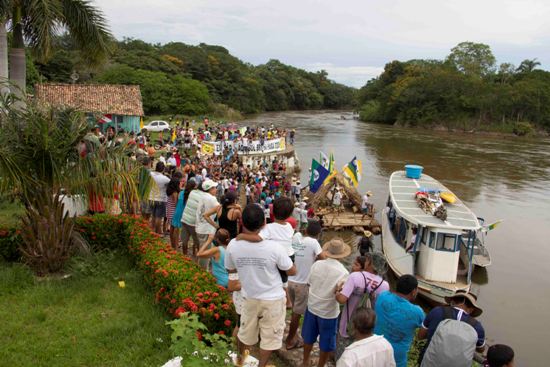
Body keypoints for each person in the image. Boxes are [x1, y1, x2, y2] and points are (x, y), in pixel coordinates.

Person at [225, 204, 296, 367]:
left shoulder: (233, 245)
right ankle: (261, 365)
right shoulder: (275, 248)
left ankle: (242, 361)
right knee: (269, 339)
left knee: (245, 334)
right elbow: (291, 271)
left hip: (249, 296)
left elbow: (230, 268)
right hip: (273, 299)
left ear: (242, 222)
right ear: (264, 223)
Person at [302, 238, 350, 367]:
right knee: (326, 342)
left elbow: (309, 283)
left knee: (308, 336)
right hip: (328, 312)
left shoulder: (317, 264)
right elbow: (339, 295)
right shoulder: (344, 272)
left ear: (328, 251)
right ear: (342, 254)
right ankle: (320, 365)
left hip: (312, 306)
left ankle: (305, 362)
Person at [335, 253, 390, 359]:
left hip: (348, 325)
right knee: (360, 356)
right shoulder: (384, 285)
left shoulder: (355, 276)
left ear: (370, 263)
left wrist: (337, 292)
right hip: (367, 327)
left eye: (367, 260)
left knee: (342, 355)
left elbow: (342, 300)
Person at [285, 220, 326, 350]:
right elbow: (323, 258)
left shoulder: (297, 238)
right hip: (302, 284)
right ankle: (290, 340)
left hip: (290, 281)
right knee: (297, 314)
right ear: (318, 234)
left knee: (294, 311)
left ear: (306, 230)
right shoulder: (314, 243)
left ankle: (293, 336)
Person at [418, 290, 486, 366]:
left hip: (429, 361)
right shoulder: (476, 326)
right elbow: (481, 349)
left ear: (452, 301)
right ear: (471, 309)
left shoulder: (437, 311)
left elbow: (420, 336)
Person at [374, 275, 425, 367]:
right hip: (396, 360)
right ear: (413, 292)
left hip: (375, 351)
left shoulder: (382, 296)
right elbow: (425, 330)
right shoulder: (417, 312)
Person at [195, 179, 219, 269]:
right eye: (214, 188)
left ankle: (200, 266)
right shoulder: (212, 198)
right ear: (210, 189)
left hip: (199, 227)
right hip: (206, 229)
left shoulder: (202, 195)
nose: (216, 189)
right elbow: (219, 208)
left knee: (202, 247)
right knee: (205, 252)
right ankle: (202, 272)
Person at [171, 179, 195, 252]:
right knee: (185, 232)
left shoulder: (181, 192)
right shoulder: (192, 195)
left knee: (176, 229)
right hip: (185, 213)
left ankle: (175, 247)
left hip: (177, 212)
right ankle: (183, 249)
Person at [149, 162, 170, 234]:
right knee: (159, 217)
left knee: (153, 216)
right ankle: (158, 232)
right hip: (161, 199)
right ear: (163, 169)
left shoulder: (150, 174)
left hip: (151, 197)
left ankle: (152, 230)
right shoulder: (166, 179)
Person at [166, 171, 183, 248]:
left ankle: (173, 244)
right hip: (174, 212)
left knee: (172, 228)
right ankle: (175, 244)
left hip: (169, 210)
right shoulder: (175, 193)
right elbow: (176, 204)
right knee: (176, 229)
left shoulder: (170, 190)